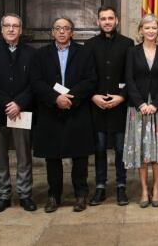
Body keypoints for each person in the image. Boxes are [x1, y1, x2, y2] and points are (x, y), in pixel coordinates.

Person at [30, 17, 96, 213]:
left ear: (71, 32)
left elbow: (91, 79)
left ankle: (81, 195)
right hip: (51, 111)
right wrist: (55, 98)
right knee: (52, 157)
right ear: (52, 32)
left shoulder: (84, 53)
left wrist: (70, 98)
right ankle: (53, 196)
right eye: (58, 28)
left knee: (79, 156)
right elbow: (36, 82)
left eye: (65, 28)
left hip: (77, 110)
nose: (61, 32)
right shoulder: (40, 54)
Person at [0, 13, 37, 213]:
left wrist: (19, 103)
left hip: (22, 111)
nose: (11, 29)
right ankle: (3, 194)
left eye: (15, 26)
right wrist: (7, 103)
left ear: (21, 30)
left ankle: (24, 194)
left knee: (23, 155)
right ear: (2, 29)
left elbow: (35, 83)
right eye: (7, 26)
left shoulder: (31, 53)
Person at [85, 6, 134, 206]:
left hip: (120, 106)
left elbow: (132, 76)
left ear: (117, 20)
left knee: (121, 149)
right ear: (98, 22)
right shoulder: (88, 45)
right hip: (97, 105)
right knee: (100, 148)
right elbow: (85, 76)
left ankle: (121, 186)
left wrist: (122, 97)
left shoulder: (128, 44)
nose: (107, 22)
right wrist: (92, 95)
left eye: (110, 18)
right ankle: (100, 187)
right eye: (103, 18)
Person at [123, 14, 158, 207]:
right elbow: (129, 79)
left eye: (154, 28)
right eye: (147, 28)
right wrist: (141, 104)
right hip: (138, 109)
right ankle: (144, 191)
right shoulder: (132, 52)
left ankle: (156, 190)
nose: (151, 31)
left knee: (157, 152)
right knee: (142, 152)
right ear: (141, 30)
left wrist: (156, 103)